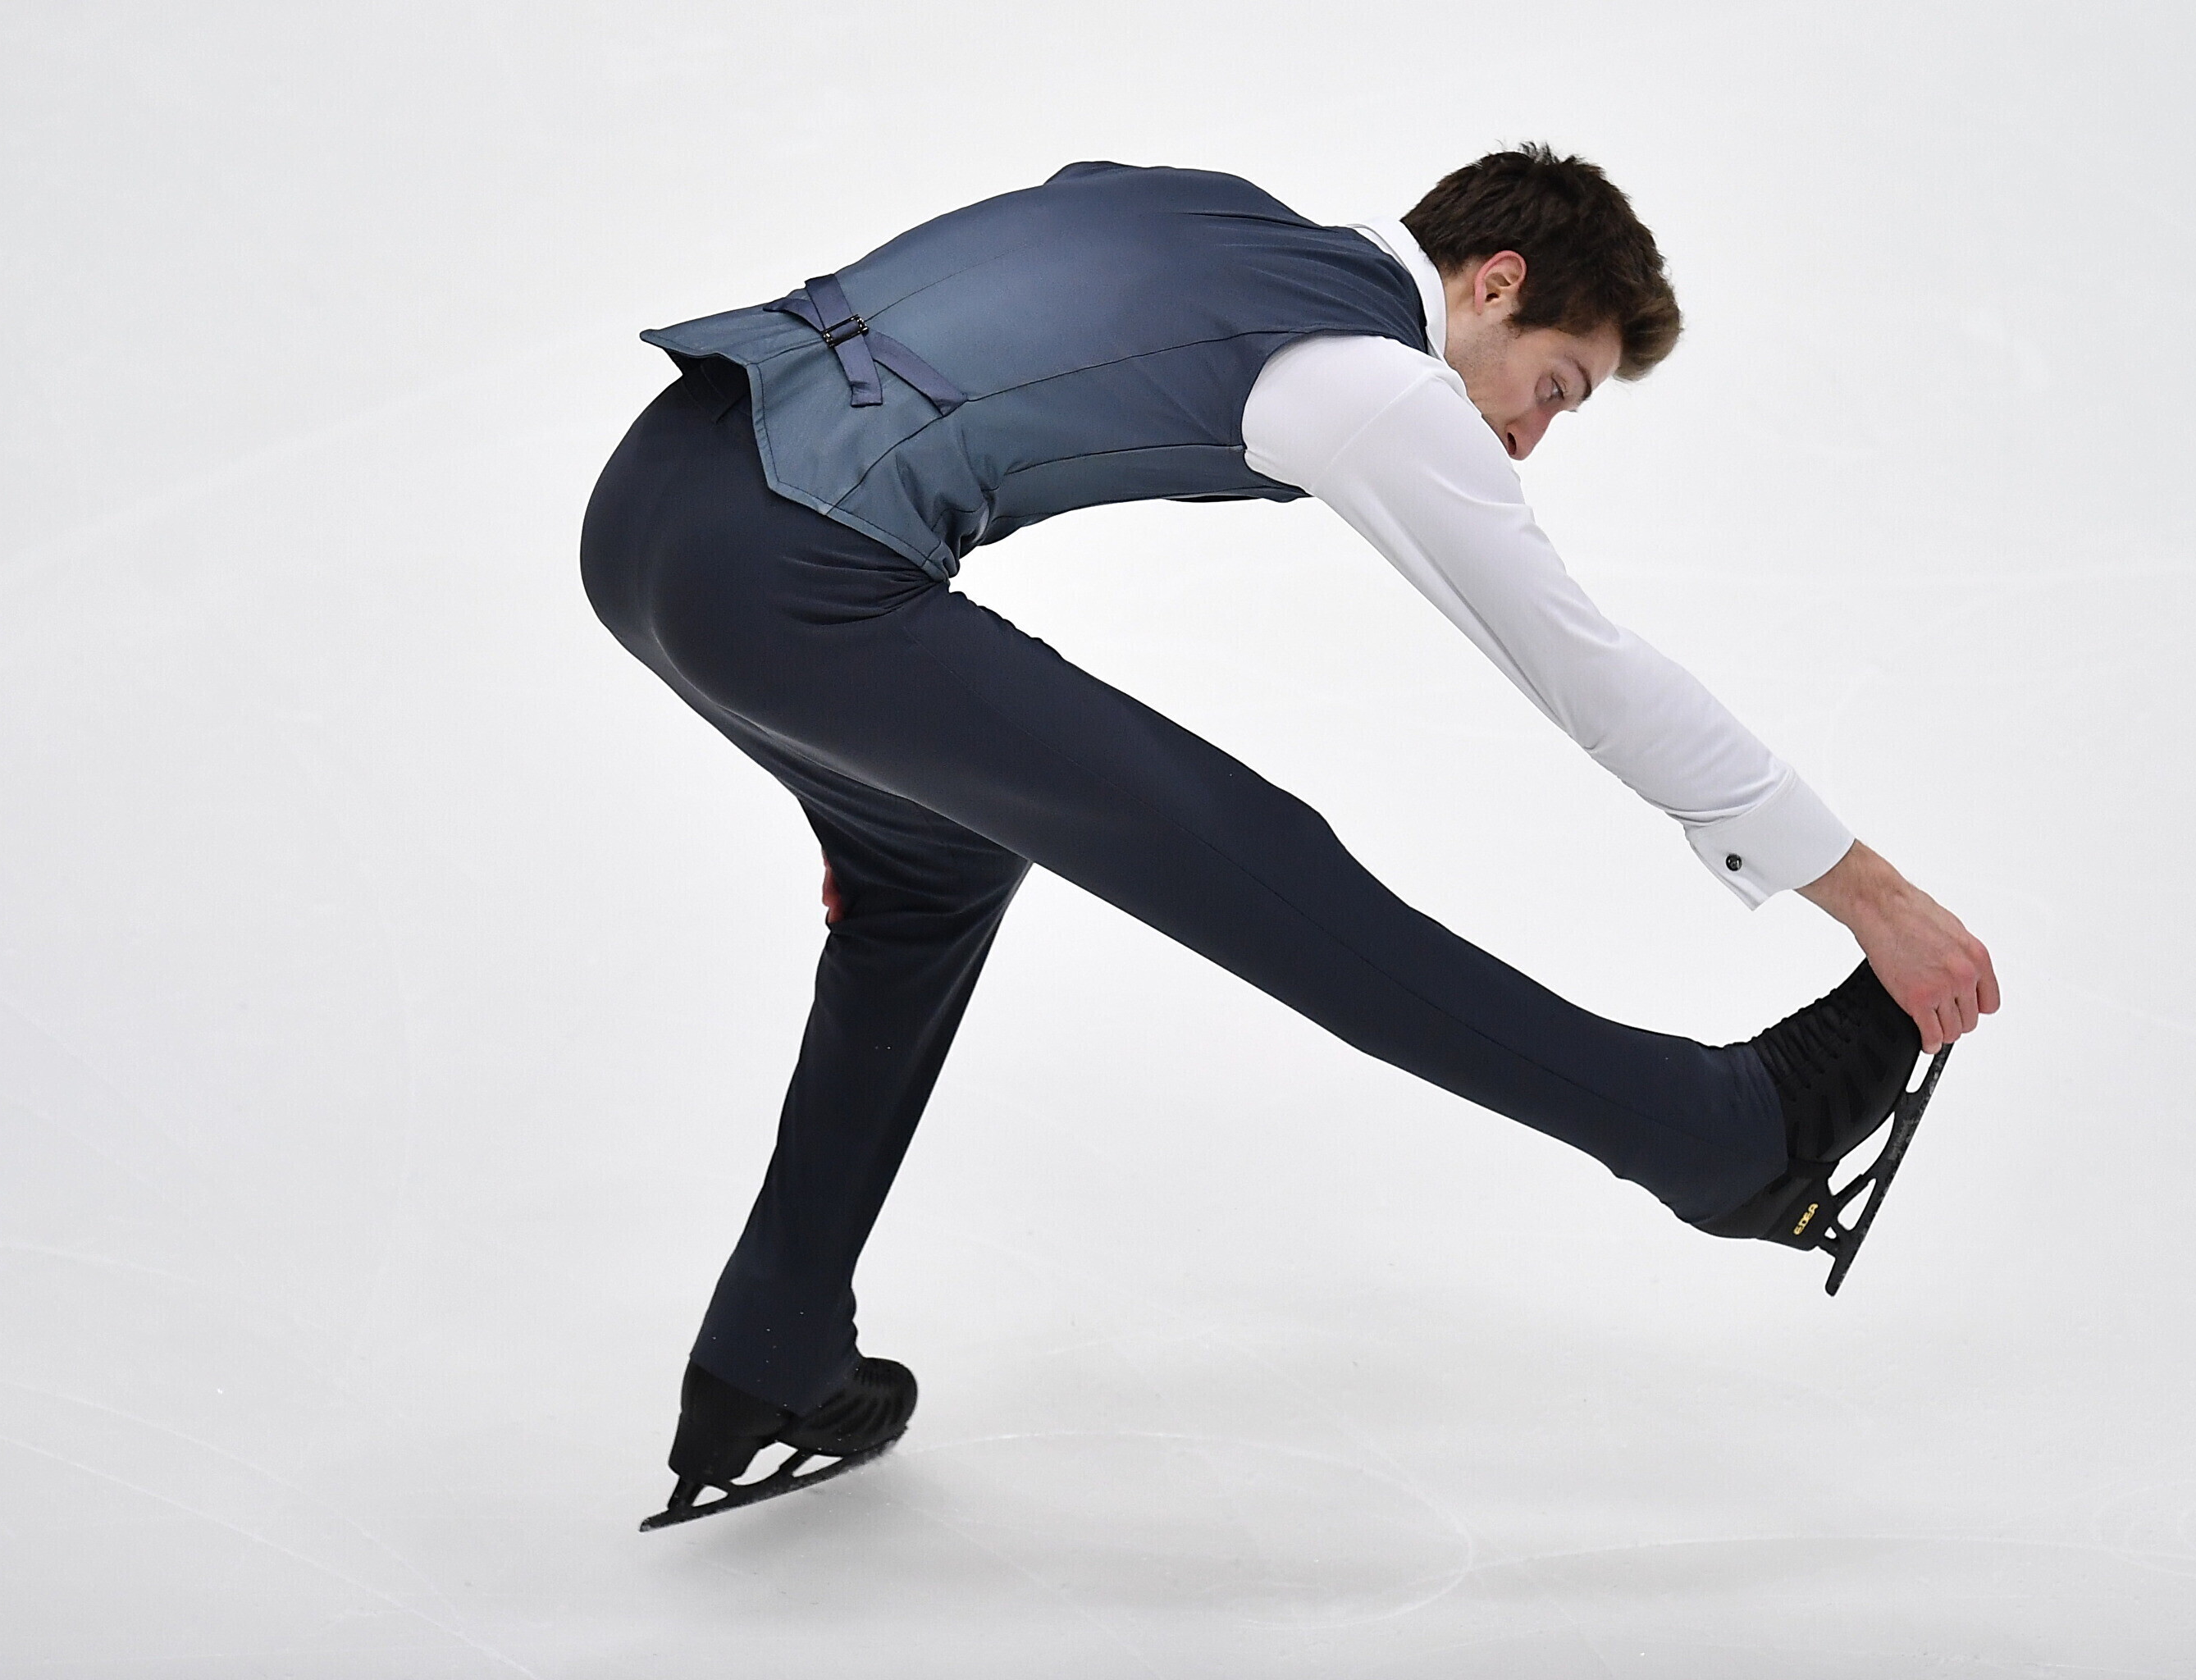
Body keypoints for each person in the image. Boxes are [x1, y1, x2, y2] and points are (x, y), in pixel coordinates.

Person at [578, 146, 2001, 1529]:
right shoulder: (1366, 376)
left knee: (933, 873)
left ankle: (769, 1356)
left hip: (651, 505)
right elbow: (1587, 670)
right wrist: (1868, 895)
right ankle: (1722, 1136)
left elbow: (1050, 223)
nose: (1530, 437)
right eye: (1555, 388)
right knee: (1257, 859)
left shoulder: (1208, 209)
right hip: (788, 566)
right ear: (1496, 282)